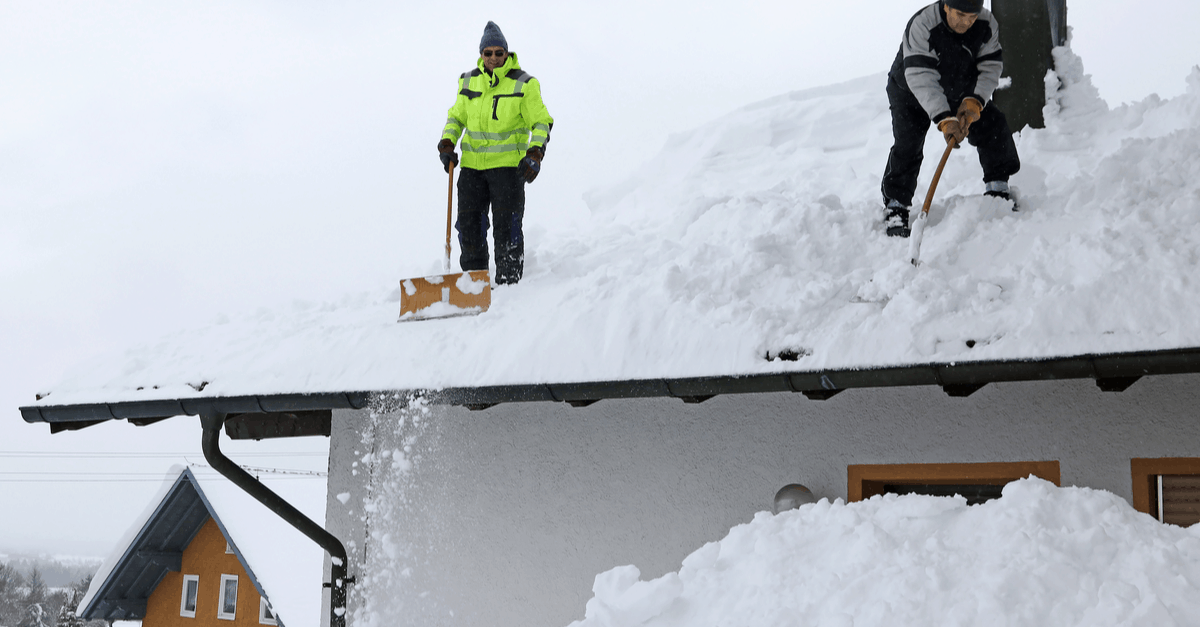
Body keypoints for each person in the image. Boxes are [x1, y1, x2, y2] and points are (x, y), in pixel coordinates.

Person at [881, 0, 1021, 237]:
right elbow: (921, 76)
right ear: (945, 5)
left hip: (958, 88)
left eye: (972, 16)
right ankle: (896, 206)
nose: (966, 22)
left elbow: (990, 65)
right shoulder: (923, 25)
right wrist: (945, 119)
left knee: (992, 124)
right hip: (910, 90)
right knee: (908, 144)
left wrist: (975, 101)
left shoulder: (986, 23)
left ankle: (998, 190)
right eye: (960, 15)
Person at [437, 21, 554, 284]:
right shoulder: (468, 81)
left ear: (506, 53)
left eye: (498, 53)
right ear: (481, 54)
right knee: (470, 227)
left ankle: (509, 284)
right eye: (487, 53)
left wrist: (535, 153)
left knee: (507, 227)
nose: (493, 58)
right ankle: (474, 285)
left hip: (507, 169)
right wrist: (447, 142)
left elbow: (541, 122)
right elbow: (456, 117)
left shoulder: (524, 84)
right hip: (472, 169)